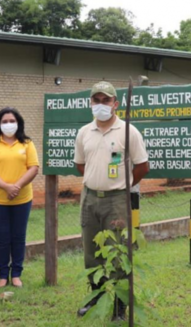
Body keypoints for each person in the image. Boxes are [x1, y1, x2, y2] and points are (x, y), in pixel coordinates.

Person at [73, 81, 149, 321]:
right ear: (90, 103)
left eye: (106, 100)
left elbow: (143, 166)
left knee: (118, 255)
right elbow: (80, 164)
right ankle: (94, 298)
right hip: (90, 199)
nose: (101, 105)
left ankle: (119, 306)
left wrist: (123, 186)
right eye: (96, 100)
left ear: (116, 104)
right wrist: (97, 180)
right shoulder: (85, 132)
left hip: (117, 201)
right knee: (91, 254)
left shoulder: (128, 131)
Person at [0, 107, 39, 288]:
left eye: (12, 121)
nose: (8, 125)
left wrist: (17, 186)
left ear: (19, 123)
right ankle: (2, 275)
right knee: (2, 237)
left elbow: (34, 167)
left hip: (22, 199)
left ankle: (16, 274)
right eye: (4, 121)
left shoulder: (27, 143)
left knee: (18, 236)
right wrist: (6, 187)